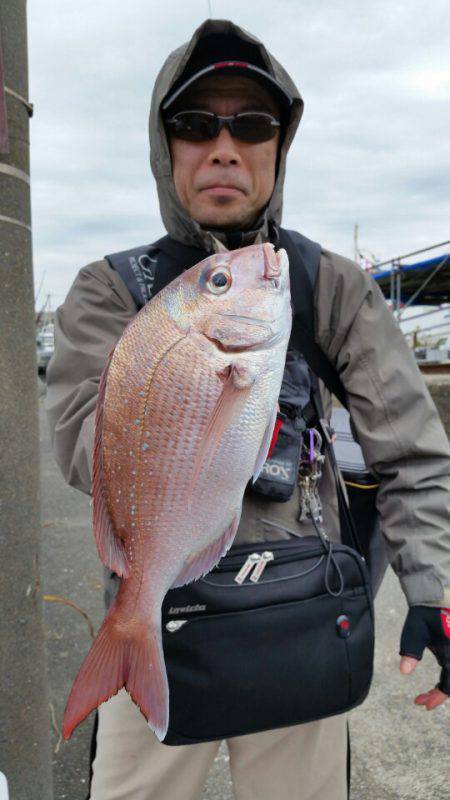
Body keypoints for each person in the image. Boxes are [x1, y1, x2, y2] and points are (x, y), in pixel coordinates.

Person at [46, 18, 450, 800]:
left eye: (253, 124)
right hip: (160, 620)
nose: (224, 147)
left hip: (301, 619)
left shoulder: (325, 282)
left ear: (278, 147)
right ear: (165, 150)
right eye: (196, 125)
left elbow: (412, 449)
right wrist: (169, 387)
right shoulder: (109, 289)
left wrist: (434, 588)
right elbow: (77, 444)